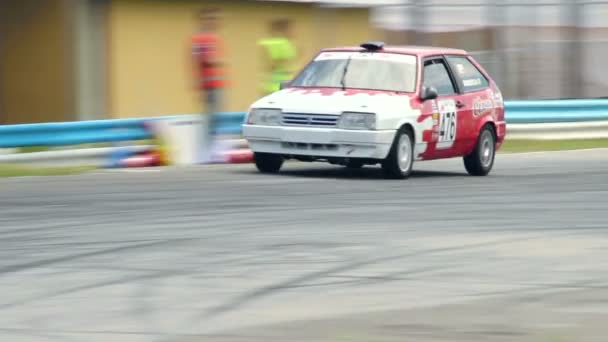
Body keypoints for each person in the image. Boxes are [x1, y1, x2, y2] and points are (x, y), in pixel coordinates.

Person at [191, 7, 228, 163]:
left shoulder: (214, 38)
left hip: (217, 83)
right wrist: (219, 61)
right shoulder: (201, 39)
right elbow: (203, 60)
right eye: (211, 19)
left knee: (215, 119)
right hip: (209, 85)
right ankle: (205, 153)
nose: (215, 22)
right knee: (210, 119)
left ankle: (212, 151)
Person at [258, 18, 297, 96]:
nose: (294, 31)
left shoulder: (288, 43)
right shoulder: (274, 43)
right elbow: (270, 65)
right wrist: (281, 60)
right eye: (290, 28)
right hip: (274, 87)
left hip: (286, 86)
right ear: (282, 29)